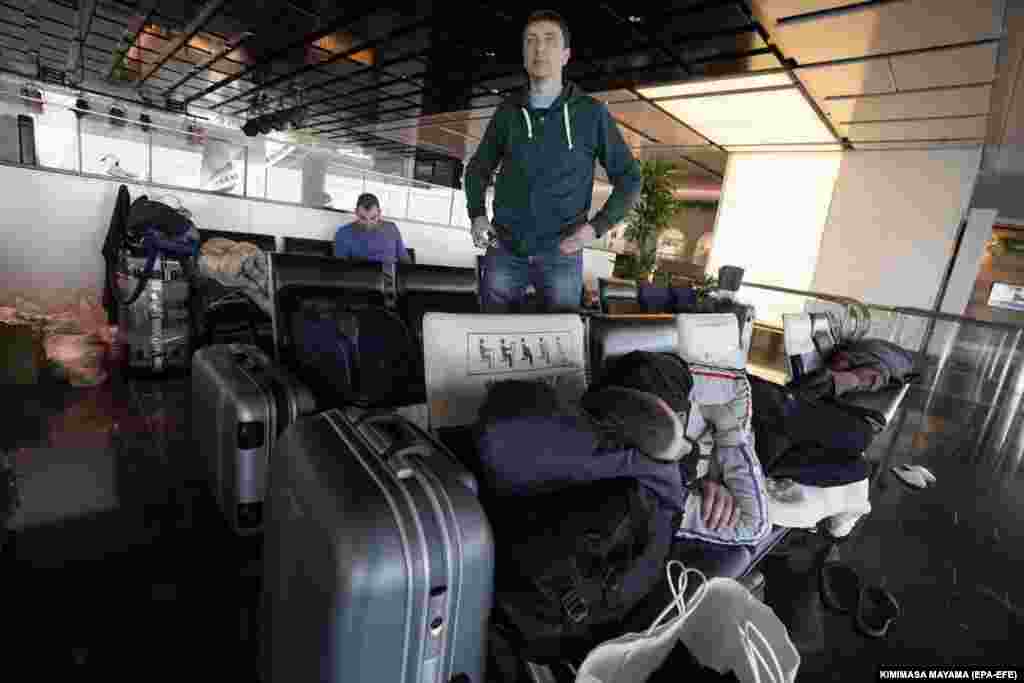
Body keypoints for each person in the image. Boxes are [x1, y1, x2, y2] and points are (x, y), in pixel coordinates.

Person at [465, 9, 642, 313]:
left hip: (562, 254)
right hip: (505, 249)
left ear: (565, 55)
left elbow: (629, 178)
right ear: (523, 55)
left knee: (558, 347)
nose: (539, 48)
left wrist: (595, 228)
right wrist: (477, 214)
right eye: (531, 41)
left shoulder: (591, 113)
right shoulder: (508, 112)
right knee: (491, 341)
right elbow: (478, 168)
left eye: (550, 40)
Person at [333, 193, 411, 266]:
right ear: (356, 212)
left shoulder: (391, 228)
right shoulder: (343, 233)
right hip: (359, 278)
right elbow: (340, 269)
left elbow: (404, 259)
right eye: (363, 218)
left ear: (379, 213)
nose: (368, 224)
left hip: (390, 277)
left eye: (373, 218)